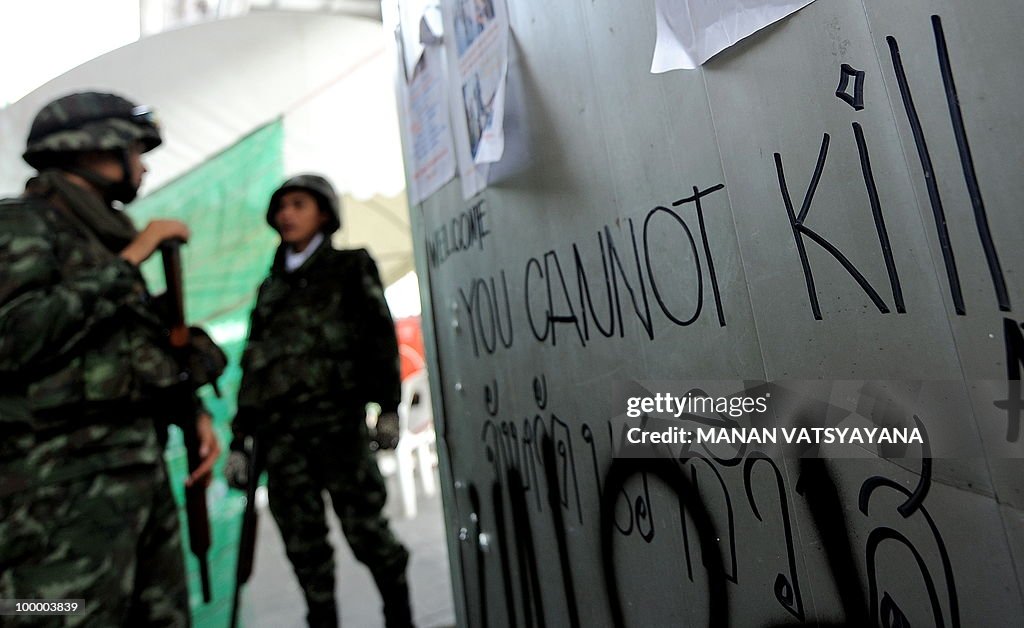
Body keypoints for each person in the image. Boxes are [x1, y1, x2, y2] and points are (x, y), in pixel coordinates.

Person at [0, 92, 223, 625]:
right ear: (92, 149)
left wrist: (189, 413)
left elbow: (127, 351)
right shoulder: (19, 225)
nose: (142, 164)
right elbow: (13, 336)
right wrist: (131, 260)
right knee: (46, 613)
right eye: (134, 149)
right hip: (54, 498)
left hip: (136, 479)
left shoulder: (100, 236)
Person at [226, 174, 413, 628]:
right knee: (303, 546)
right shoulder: (271, 287)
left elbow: (378, 339)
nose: (286, 215)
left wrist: (388, 408)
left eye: (298, 204)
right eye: (281, 207)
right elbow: (255, 366)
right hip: (280, 437)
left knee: (368, 533)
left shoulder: (350, 268)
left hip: (337, 428)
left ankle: (401, 618)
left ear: (324, 214)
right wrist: (239, 440)